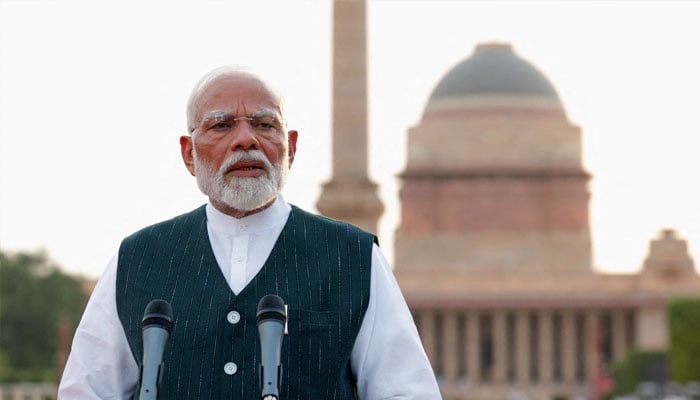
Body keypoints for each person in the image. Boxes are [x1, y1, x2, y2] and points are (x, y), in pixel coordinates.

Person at [58, 66, 441, 399]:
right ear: (188, 153)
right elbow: (89, 391)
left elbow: (406, 390)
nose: (246, 140)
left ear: (290, 147)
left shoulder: (352, 257)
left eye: (263, 124)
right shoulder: (139, 259)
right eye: (222, 125)